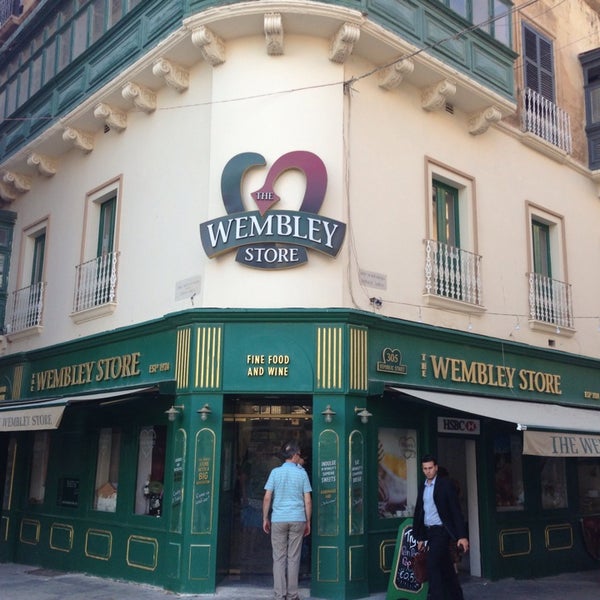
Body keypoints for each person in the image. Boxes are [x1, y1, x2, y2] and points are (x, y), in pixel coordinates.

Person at [412, 454, 469, 600]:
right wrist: (420, 537)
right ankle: (456, 597)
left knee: (432, 565)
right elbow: (420, 511)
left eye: (430, 468)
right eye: (425, 468)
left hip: (441, 532)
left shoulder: (445, 485)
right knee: (447, 568)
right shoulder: (422, 487)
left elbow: (456, 510)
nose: (428, 471)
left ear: (436, 468)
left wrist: (462, 536)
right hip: (429, 532)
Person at [263, 441, 312, 600]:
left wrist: (265, 518)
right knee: (293, 557)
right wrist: (308, 521)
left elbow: (267, 497)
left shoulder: (275, 473)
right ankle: (292, 595)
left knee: (278, 557)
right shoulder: (302, 473)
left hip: (278, 519)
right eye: (299, 454)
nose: (300, 458)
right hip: (297, 518)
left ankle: (279, 594)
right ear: (295, 455)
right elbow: (308, 500)